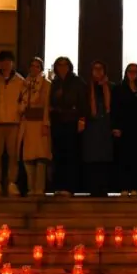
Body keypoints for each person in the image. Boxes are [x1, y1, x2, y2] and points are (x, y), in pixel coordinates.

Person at [0, 50, 26, 196]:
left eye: (8, 61)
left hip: (14, 122)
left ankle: (12, 182)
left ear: (12, 63)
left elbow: (24, 99)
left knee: (13, 154)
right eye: (3, 61)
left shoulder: (20, 80)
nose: (5, 64)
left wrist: (19, 109)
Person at [49, 57, 86, 196]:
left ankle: (70, 187)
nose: (62, 68)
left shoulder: (77, 82)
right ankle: (59, 186)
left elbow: (83, 101)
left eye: (65, 65)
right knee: (58, 155)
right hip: (57, 122)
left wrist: (81, 119)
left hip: (71, 122)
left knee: (71, 155)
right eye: (59, 65)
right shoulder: (54, 83)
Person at [112, 63, 137, 196]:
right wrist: (115, 126)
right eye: (130, 71)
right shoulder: (118, 89)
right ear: (126, 73)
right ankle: (124, 186)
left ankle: (135, 187)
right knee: (123, 158)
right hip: (124, 128)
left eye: (135, 71)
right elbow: (115, 108)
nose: (132, 74)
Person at [18, 57, 51, 197]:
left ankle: (39, 188)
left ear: (41, 68)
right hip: (27, 123)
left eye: (37, 66)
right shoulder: (24, 83)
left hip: (40, 123)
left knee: (41, 157)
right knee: (28, 157)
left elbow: (47, 105)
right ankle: (30, 187)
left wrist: (46, 123)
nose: (34, 68)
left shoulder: (46, 84)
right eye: (32, 66)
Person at [81, 60, 115, 197]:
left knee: (105, 158)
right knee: (92, 158)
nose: (98, 71)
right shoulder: (86, 87)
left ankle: (104, 187)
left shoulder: (111, 87)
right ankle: (93, 187)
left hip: (106, 126)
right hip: (91, 127)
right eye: (95, 69)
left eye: (100, 68)